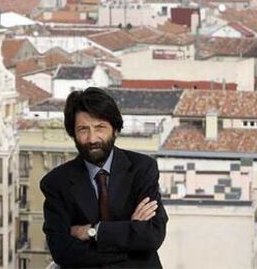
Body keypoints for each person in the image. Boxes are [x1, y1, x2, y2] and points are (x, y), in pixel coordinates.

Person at [40, 87, 168, 268]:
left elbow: (152, 235)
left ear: (115, 130)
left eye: (100, 127)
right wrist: (130, 236)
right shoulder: (56, 183)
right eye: (83, 129)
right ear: (73, 134)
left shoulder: (142, 168)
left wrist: (93, 231)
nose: (92, 138)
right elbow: (62, 251)